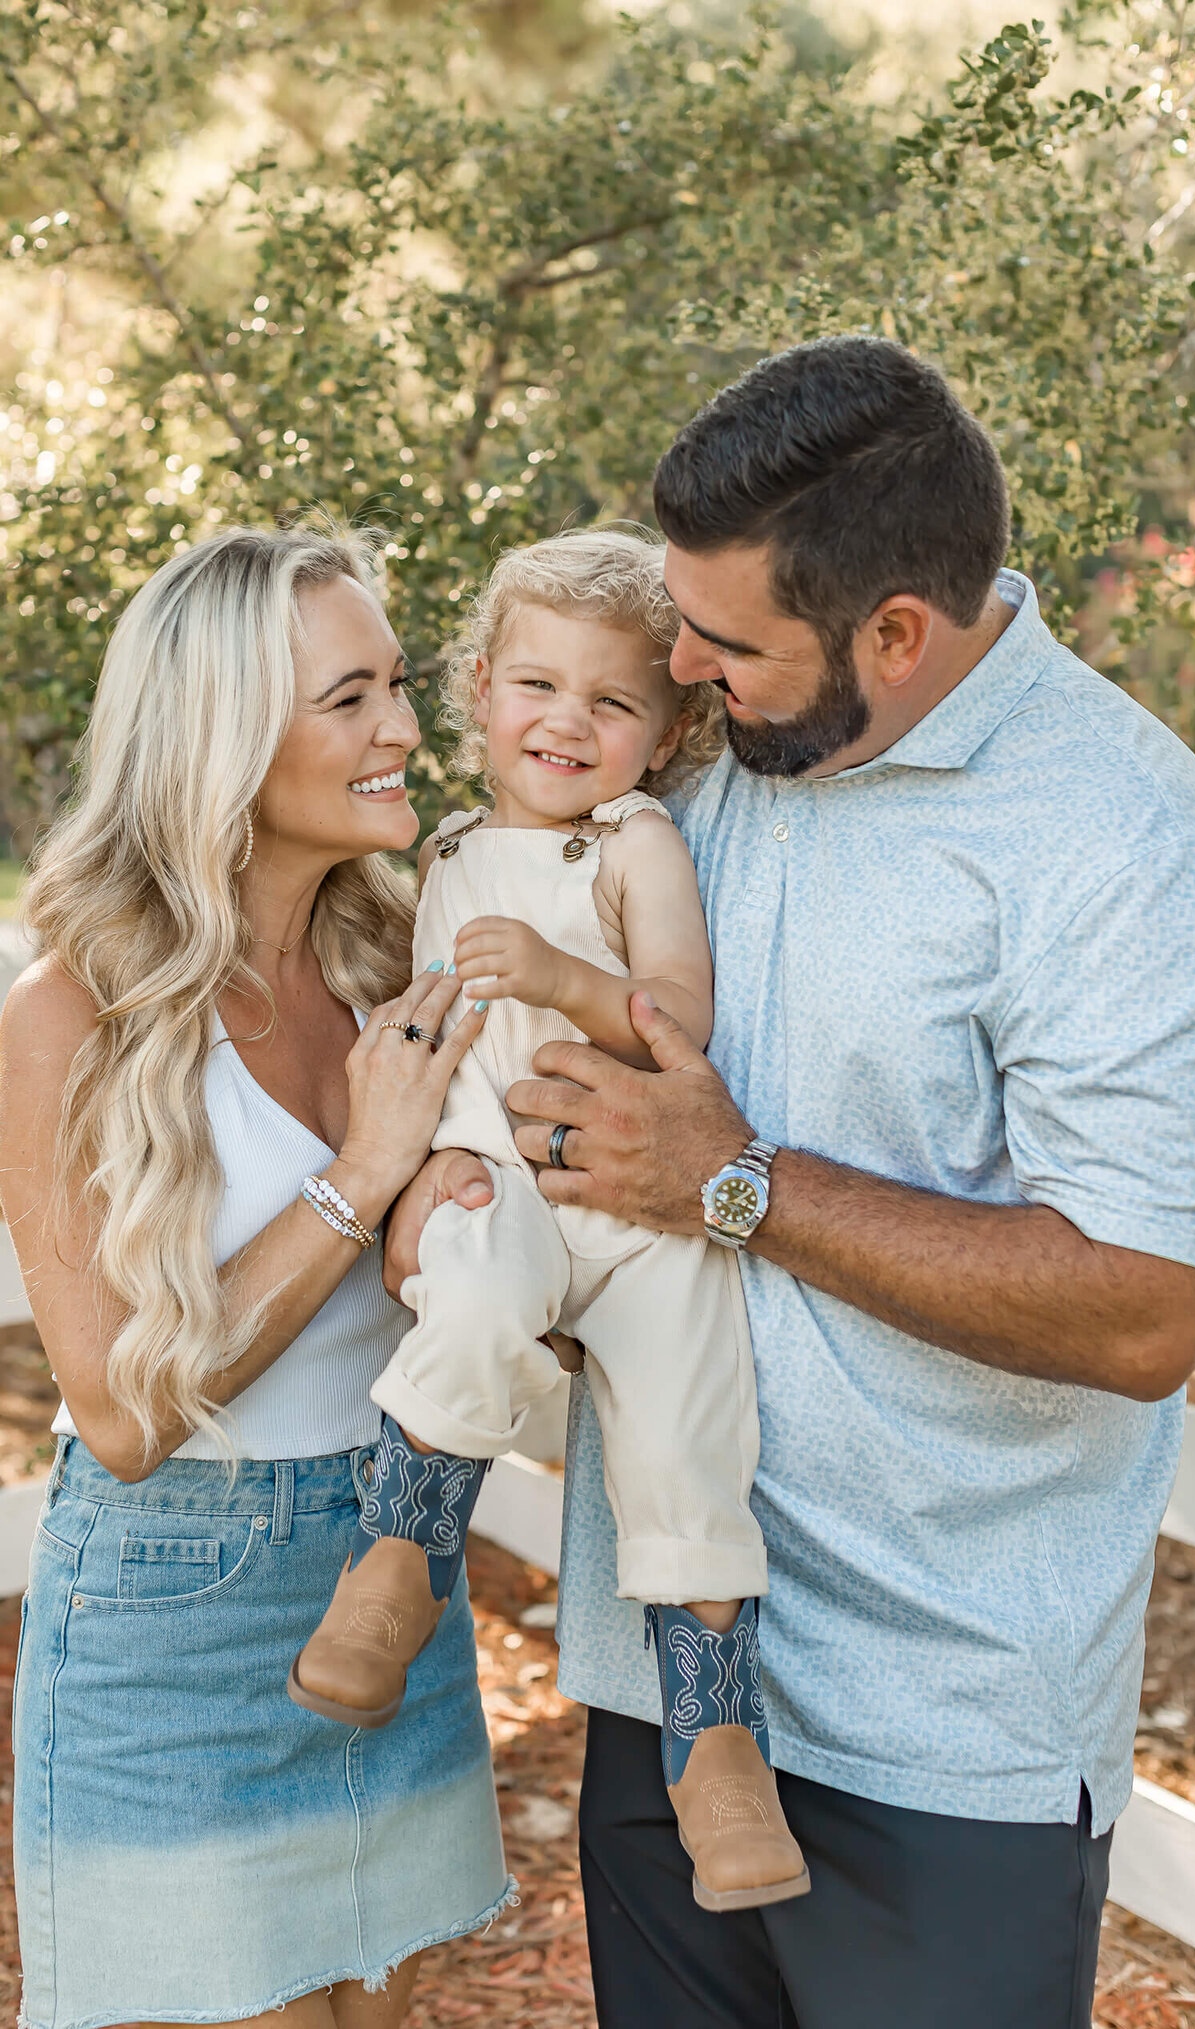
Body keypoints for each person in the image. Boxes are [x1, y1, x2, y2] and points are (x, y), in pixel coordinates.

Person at [386, 338, 1195, 2028]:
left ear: (894, 632)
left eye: (725, 642)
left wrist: (740, 1183)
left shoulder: (1120, 837)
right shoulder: (699, 766)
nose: (676, 668)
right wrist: (439, 1198)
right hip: (670, 1687)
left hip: (943, 1729)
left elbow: (1146, 1309)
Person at [0, 525, 514, 2029]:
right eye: (349, 698)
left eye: (399, 685)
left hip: (391, 1569)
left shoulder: (387, 961)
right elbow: (120, 1412)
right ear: (223, 737)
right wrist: (362, 1176)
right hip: (182, 1613)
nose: (406, 729)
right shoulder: (73, 1010)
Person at [290, 528, 810, 1914]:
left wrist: (567, 980)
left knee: (693, 1420)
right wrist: (399, 1177)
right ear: (476, 689)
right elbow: (421, 1038)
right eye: (535, 685)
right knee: (461, 1284)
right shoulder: (448, 850)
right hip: (500, 1179)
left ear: (671, 725)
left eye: (612, 700)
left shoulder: (637, 841)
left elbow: (677, 1014)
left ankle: (717, 1749)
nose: (567, 723)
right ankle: (395, 1566)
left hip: (638, 1203)